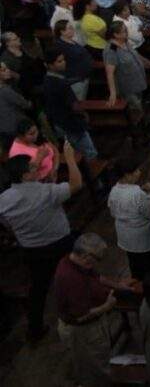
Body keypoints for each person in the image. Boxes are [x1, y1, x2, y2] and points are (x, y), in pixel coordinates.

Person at [0, 142, 80, 342]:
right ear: (26, 175)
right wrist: (69, 159)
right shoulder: (46, 193)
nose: (36, 167)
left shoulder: (4, 199)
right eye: (33, 167)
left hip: (31, 248)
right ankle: (82, 307)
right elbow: (76, 184)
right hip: (59, 241)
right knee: (76, 273)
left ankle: (34, 329)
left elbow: (7, 223)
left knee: (38, 288)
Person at [53, 233, 126, 386]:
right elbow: (80, 316)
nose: (98, 263)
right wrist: (107, 306)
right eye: (98, 259)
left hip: (94, 324)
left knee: (101, 359)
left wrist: (118, 285)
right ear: (86, 256)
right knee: (95, 368)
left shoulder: (74, 261)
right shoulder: (70, 278)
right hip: (82, 331)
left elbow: (96, 277)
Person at [108, 154, 150, 279]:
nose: (139, 172)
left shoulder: (114, 191)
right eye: (136, 170)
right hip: (142, 239)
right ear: (127, 175)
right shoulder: (136, 194)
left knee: (135, 266)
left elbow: (113, 213)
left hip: (126, 238)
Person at [54, 18, 92, 100]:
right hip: (75, 80)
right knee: (77, 103)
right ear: (62, 32)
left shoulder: (72, 41)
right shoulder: (60, 46)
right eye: (70, 28)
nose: (72, 29)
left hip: (83, 78)